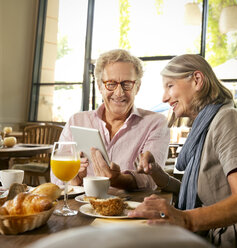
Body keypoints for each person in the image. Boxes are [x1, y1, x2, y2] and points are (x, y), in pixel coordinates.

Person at [125, 54, 237, 247]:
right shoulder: (204, 128)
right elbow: (199, 193)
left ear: (197, 80)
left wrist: (185, 219)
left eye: (170, 86)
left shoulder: (229, 119)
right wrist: (157, 173)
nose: (164, 97)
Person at [51, 49, 170, 191]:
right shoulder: (76, 121)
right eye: (111, 84)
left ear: (137, 87)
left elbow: (151, 180)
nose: (119, 93)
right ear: (100, 87)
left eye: (126, 84)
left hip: (130, 210)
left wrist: (119, 180)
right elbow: (57, 180)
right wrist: (74, 179)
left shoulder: (156, 123)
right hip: (81, 206)